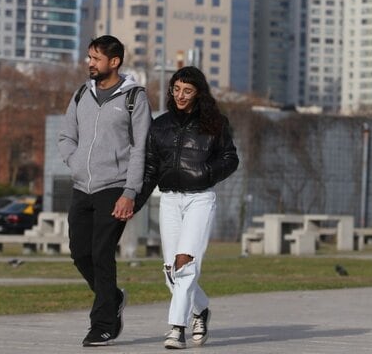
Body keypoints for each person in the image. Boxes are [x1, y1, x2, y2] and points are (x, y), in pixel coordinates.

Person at [58, 35, 151, 347]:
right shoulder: (82, 92)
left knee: (101, 253)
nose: (89, 63)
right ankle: (113, 297)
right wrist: (74, 163)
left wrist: (130, 191)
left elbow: (140, 150)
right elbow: (66, 135)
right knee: (79, 252)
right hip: (82, 186)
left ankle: (102, 325)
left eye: (95, 59)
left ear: (114, 62)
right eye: (89, 57)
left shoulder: (134, 98)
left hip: (115, 187)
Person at [136, 66, 239, 349]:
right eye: (177, 89)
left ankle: (176, 329)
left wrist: (206, 173)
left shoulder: (215, 123)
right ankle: (200, 309)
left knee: (185, 265)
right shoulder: (160, 125)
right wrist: (134, 203)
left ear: (198, 94)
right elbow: (151, 169)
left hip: (200, 199)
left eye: (188, 91)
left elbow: (231, 158)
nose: (181, 95)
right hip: (169, 199)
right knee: (171, 271)